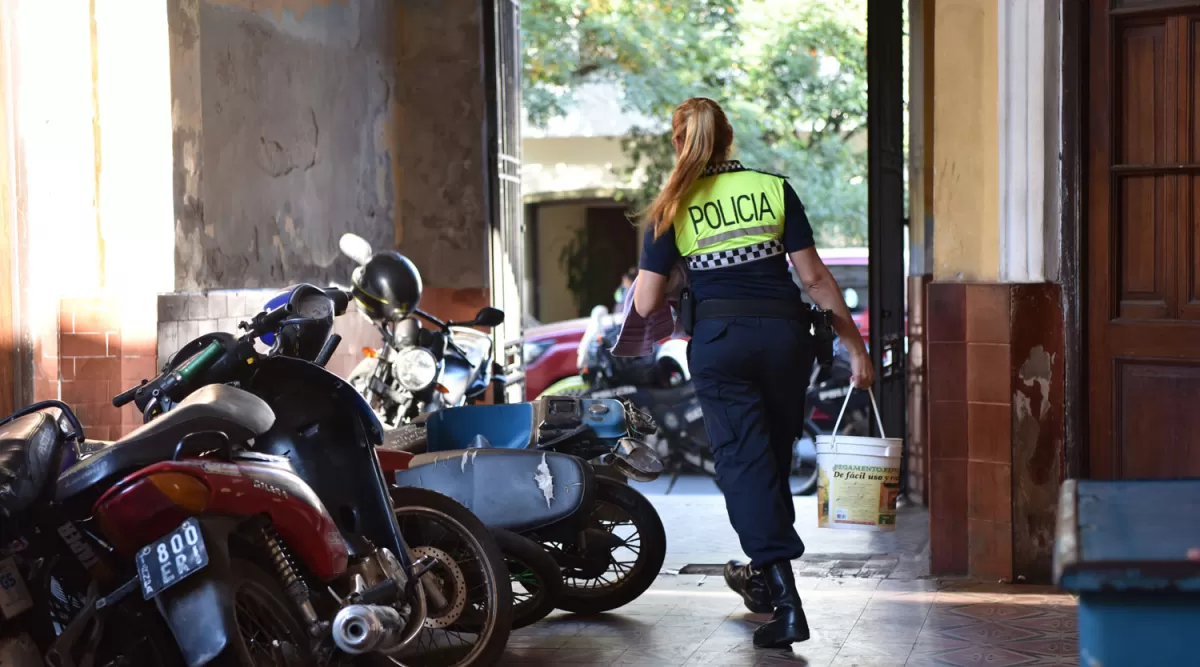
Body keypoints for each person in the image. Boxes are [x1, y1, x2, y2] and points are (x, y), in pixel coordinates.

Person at [632, 97, 874, 649]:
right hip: (786, 340)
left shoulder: (673, 206)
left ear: (678, 143)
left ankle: (788, 605)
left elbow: (647, 304)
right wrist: (854, 346)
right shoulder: (772, 189)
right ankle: (764, 581)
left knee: (744, 466)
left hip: (722, 344)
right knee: (773, 457)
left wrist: (677, 277)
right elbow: (813, 278)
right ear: (729, 138)